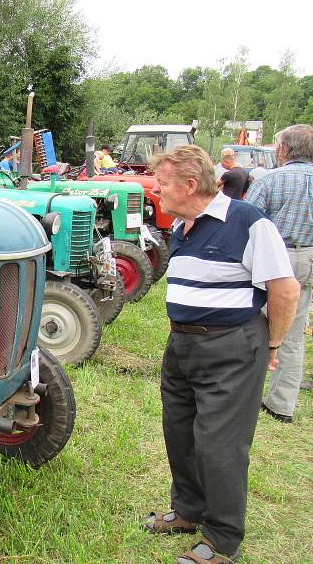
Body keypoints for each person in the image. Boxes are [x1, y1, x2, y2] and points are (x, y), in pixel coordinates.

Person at [142, 145, 299, 564]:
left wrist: (272, 345)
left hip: (230, 347)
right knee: (180, 432)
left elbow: (286, 290)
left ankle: (222, 538)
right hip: (183, 345)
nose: (157, 191)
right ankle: (189, 511)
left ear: (190, 185)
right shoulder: (184, 224)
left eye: (163, 184)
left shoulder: (249, 223)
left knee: (220, 445)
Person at [245, 124, 313, 417]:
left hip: (273, 257)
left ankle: (243, 391)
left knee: (252, 325)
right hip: (308, 257)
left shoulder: (270, 180)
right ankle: (282, 403)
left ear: (283, 149)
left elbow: (245, 221)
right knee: (294, 331)